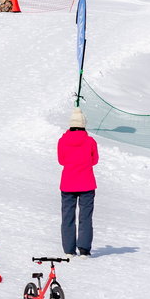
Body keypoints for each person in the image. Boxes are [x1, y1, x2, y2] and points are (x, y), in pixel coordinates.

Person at [58, 107, 99, 256]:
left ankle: (69, 250)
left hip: (68, 183)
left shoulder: (62, 141)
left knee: (67, 216)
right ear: (83, 125)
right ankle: (84, 249)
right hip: (87, 183)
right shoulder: (90, 141)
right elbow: (94, 160)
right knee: (85, 217)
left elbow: (61, 160)